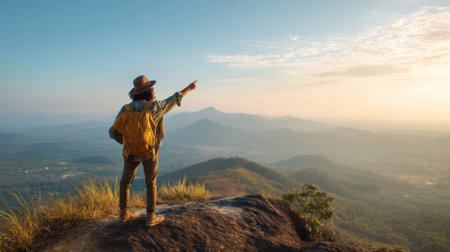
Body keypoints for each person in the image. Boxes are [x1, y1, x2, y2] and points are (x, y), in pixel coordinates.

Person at [109, 75, 197, 226]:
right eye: (152, 88)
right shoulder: (155, 107)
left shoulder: (126, 109)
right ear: (149, 91)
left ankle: (123, 213)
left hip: (130, 152)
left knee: (125, 181)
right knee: (151, 183)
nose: (154, 90)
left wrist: (128, 142)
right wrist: (189, 87)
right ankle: (151, 216)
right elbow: (174, 99)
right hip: (150, 152)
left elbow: (112, 132)